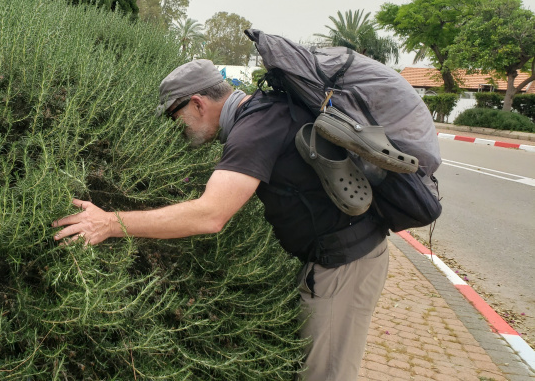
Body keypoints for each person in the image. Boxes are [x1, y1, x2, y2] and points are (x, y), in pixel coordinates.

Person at [51, 59, 390, 381]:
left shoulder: (253, 130)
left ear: (198, 103)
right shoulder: (264, 111)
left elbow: (210, 215)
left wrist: (110, 223)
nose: (175, 131)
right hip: (337, 260)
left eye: (174, 117)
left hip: (345, 264)